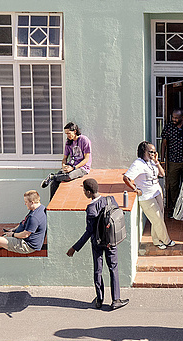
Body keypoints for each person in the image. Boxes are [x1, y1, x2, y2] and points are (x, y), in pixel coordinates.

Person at [67, 178, 129, 310]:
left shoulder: (91, 208)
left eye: (84, 190)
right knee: (113, 269)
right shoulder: (110, 199)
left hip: (97, 243)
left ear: (89, 192)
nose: (84, 192)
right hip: (111, 242)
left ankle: (99, 300)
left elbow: (89, 232)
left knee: (98, 270)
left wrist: (75, 248)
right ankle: (116, 299)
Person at [124, 141, 175, 249]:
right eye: (151, 152)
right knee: (157, 219)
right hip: (146, 196)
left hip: (157, 192)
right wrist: (135, 189)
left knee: (158, 218)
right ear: (144, 151)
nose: (153, 154)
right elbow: (126, 178)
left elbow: (162, 174)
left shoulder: (152, 162)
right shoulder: (138, 163)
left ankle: (156, 240)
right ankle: (166, 240)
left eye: (154, 152)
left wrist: (157, 162)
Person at [41, 122, 92, 200]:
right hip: (70, 165)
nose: (68, 135)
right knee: (54, 183)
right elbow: (64, 158)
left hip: (82, 168)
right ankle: (52, 202)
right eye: (66, 134)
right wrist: (64, 166)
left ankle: (52, 177)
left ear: (75, 131)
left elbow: (86, 159)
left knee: (69, 176)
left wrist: (73, 168)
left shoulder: (84, 140)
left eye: (69, 133)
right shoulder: (68, 142)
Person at [160, 108, 183, 216]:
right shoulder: (168, 127)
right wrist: (162, 160)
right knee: (173, 185)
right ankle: (175, 206)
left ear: (182, 117)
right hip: (173, 161)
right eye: (173, 117)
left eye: (176, 118)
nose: (174, 119)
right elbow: (164, 143)